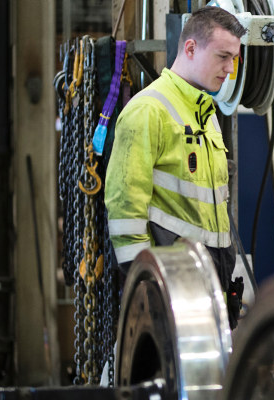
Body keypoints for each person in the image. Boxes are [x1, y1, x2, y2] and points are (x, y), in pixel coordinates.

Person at [105, 7, 246, 309]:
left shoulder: (206, 114)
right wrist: (143, 285)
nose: (230, 69)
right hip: (168, 290)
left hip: (209, 285)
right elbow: (124, 208)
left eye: (234, 58)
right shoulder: (147, 111)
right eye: (223, 56)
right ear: (191, 48)